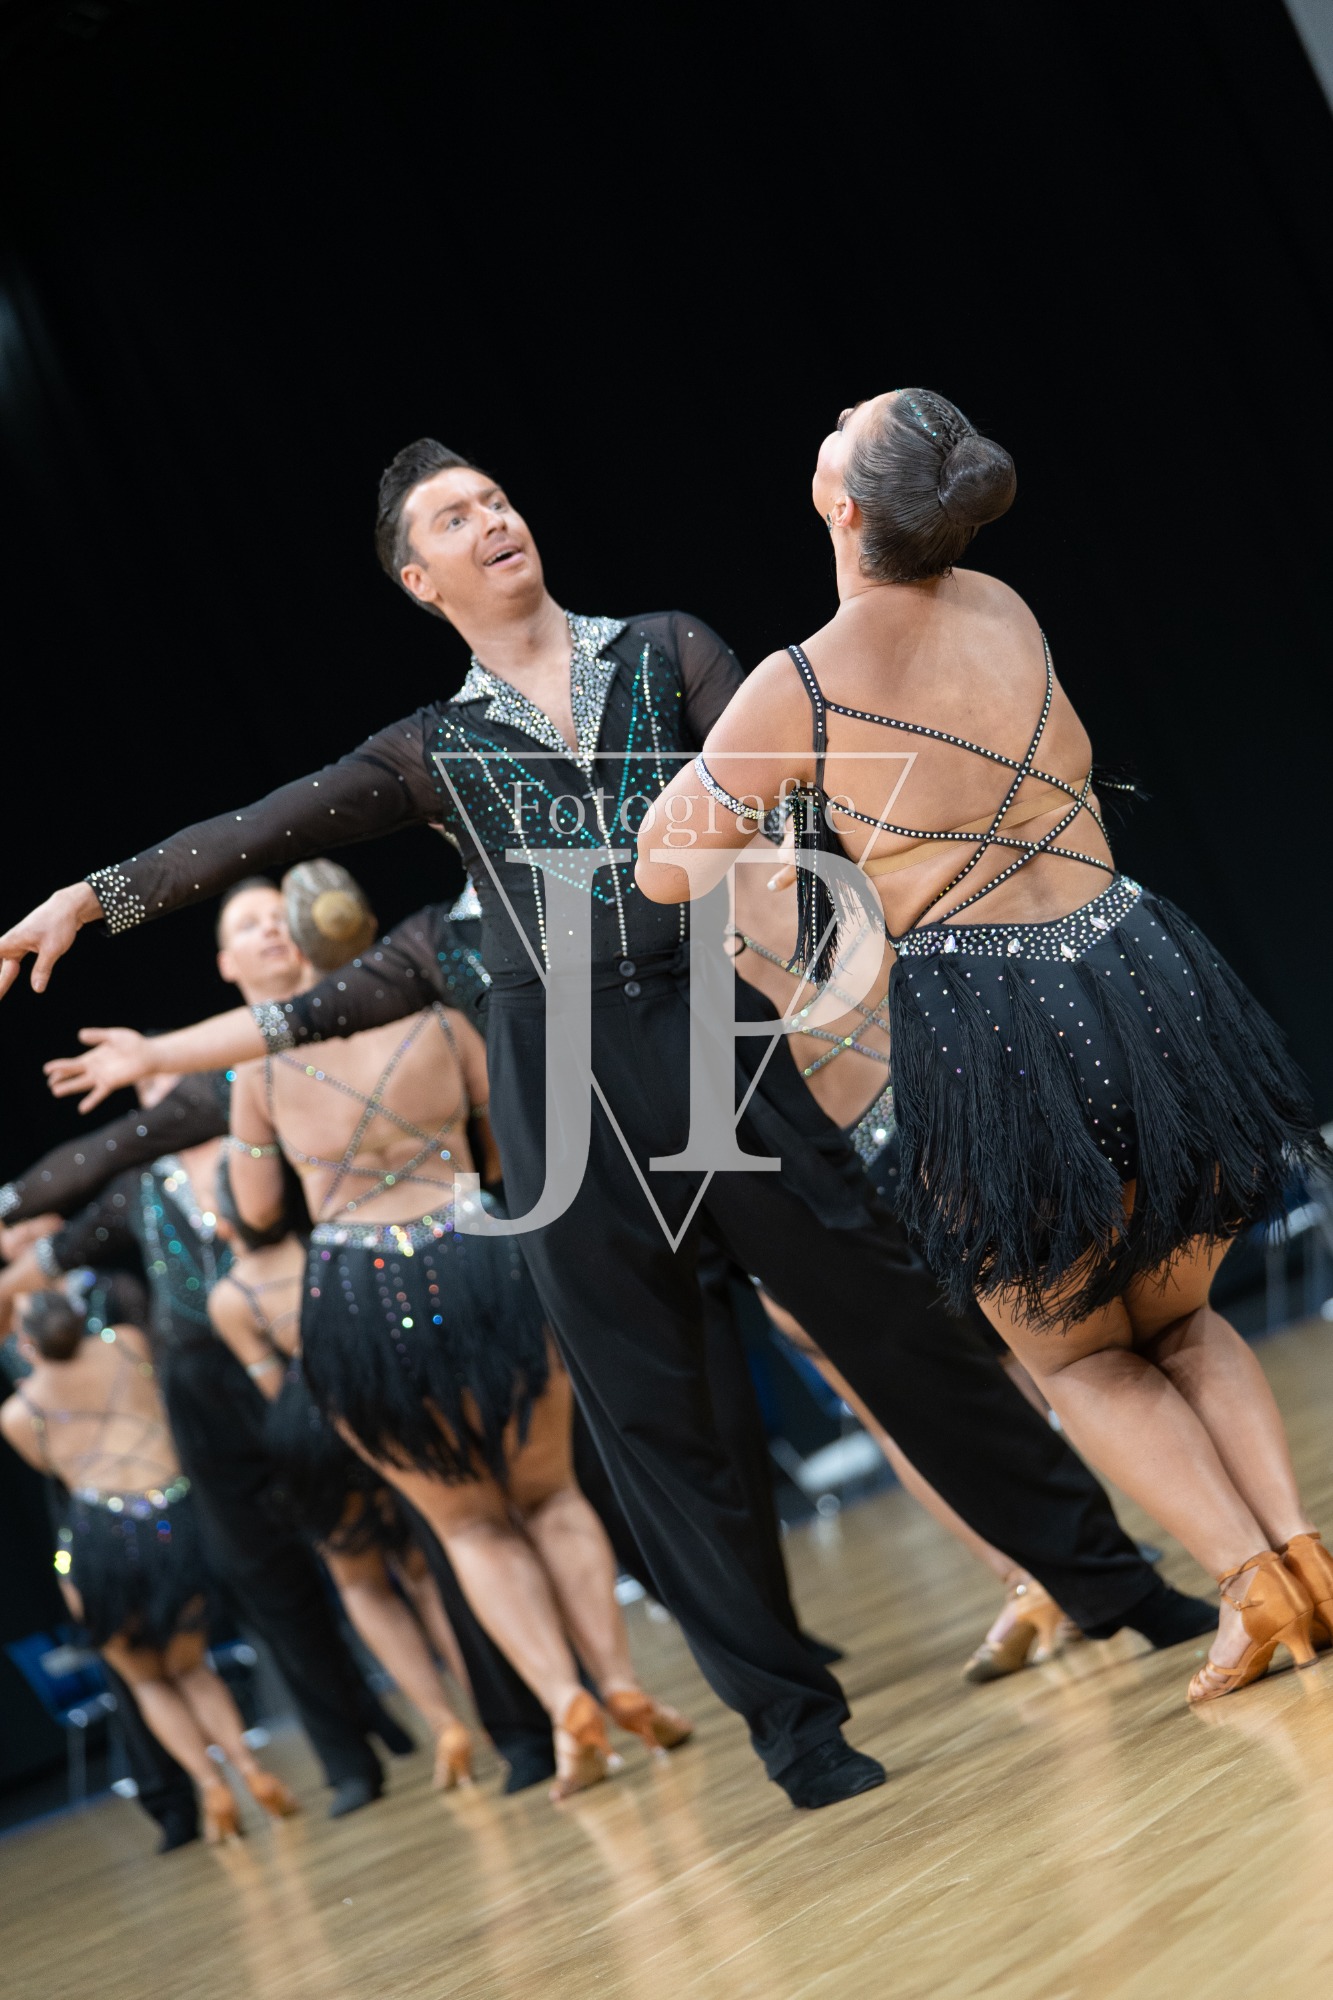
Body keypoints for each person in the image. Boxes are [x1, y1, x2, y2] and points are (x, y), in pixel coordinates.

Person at [0, 443, 1216, 1807]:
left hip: (709, 1034)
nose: (491, 518)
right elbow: (250, 831)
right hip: (558, 1074)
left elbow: (786, 773)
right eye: (454, 517)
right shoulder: (433, 746)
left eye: (496, 497)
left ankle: (1111, 1584)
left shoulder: (663, 648)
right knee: (655, 1411)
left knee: (901, 1325)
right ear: (419, 580)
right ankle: (793, 1728)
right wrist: (92, 898)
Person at [635, 386, 1333, 1705]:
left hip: (998, 1023)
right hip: (1140, 967)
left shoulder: (799, 682)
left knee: (1079, 1354)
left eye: (850, 418)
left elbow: (664, 868)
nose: (836, 409)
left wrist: (770, 814)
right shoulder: (1004, 604)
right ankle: (1305, 1554)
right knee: (1181, 1317)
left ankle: (1251, 1585)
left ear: (844, 504)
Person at [221, 881, 691, 1801]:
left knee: (468, 1525)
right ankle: (618, 1680)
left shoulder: (260, 1069)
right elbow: (506, 1138)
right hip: (478, 1254)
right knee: (551, 1494)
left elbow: (256, 1209)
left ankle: (561, 1702)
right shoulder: (437, 1022)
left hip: (357, 1296)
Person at [0, 1287, 298, 1842]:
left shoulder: (19, 1413)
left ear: (26, 1345)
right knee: (192, 1667)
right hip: (170, 1519)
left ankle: (209, 1786)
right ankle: (250, 1768)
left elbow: (53, 1469)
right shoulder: (126, 1343)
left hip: (98, 1540)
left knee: (149, 1682)